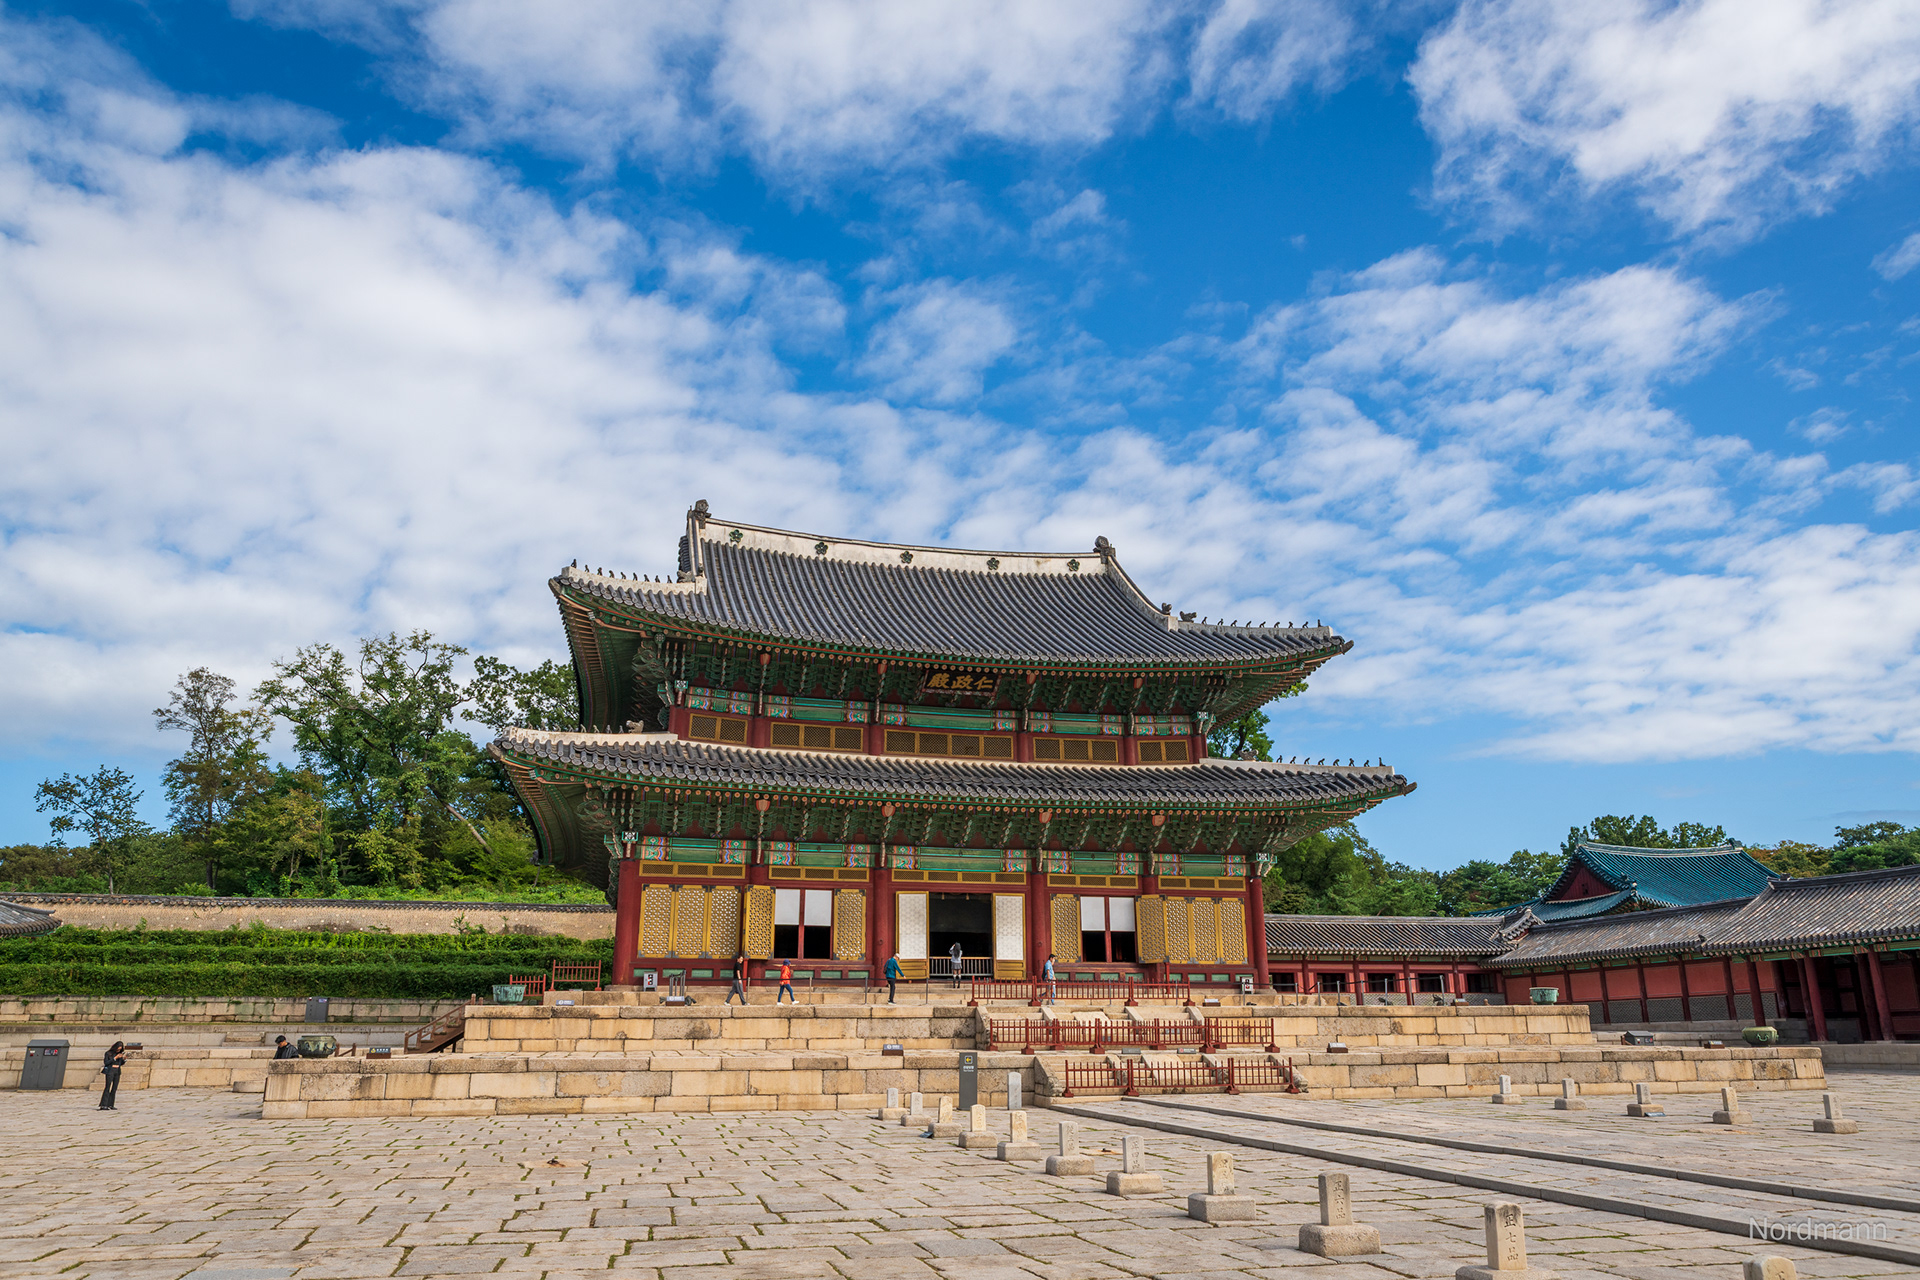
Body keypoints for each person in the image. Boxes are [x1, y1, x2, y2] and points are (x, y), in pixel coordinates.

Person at [99, 1041, 125, 1110]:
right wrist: (115, 1058)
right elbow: (106, 1062)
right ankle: (104, 1104)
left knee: (114, 1088)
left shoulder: (119, 1054)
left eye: (120, 1049)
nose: (118, 1050)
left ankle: (111, 1104)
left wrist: (124, 1059)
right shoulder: (108, 1053)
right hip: (110, 1071)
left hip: (117, 1071)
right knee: (107, 1087)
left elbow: (121, 1063)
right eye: (118, 1049)